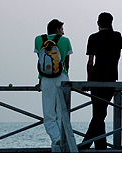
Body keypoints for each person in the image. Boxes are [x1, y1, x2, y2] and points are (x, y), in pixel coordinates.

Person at [80, 12, 122, 150]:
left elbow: (90, 62)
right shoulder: (117, 36)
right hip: (111, 78)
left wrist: (89, 81)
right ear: (111, 22)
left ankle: (86, 145)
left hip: (97, 78)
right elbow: (118, 56)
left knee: (98, 113)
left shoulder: (93, 38)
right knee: (101, 113)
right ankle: (100, 146)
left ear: (98, 23)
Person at [34, 19, 73, 152]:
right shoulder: (65, 41)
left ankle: (56, 141)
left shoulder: (38, 40)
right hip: (62, 78)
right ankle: (61, 141)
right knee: (62, 112)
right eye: (62, 29)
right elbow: (66, 64)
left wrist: (40, 80)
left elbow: (40, 62)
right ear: (57, 29)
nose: (63, 32)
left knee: (49, 113)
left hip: (46, 78)